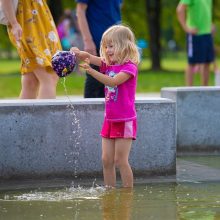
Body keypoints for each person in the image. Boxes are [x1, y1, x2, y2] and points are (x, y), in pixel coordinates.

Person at [71, 24, 140, 188]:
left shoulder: (129, 67)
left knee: (120, 160)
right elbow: (91, 58)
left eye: (112, 46)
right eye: (106, 46)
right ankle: (110, 192)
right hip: (109, 119)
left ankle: (127, 195)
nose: (108, 50)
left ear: (125, 46)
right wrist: (80, 54)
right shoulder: (109, 64)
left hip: (125, 120)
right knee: (106, 160)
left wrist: (92, 72)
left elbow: (113, 82)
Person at [2, 0, 62, 99]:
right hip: (27, 24)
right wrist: (14, 24)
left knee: (31, 82)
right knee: (49, 76)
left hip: (40, 21)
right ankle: (43, 115)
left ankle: (23, 115)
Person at [75, 0, 122, 98]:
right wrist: (87, 40)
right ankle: (88, 111)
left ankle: (105, 111)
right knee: (94, 82)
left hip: (115, 41)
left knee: (109, 80)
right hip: (97, 40)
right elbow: (80, 11)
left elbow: (116, 10)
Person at [176, 0, 215, 86]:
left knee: (207, 62)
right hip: (195, 34)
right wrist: (186, 28)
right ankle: (189, 92)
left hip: (207, 33)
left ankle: (205, 92)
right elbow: (180, 9)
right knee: (192, 63)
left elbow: (205, 11)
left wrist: (210, 23)